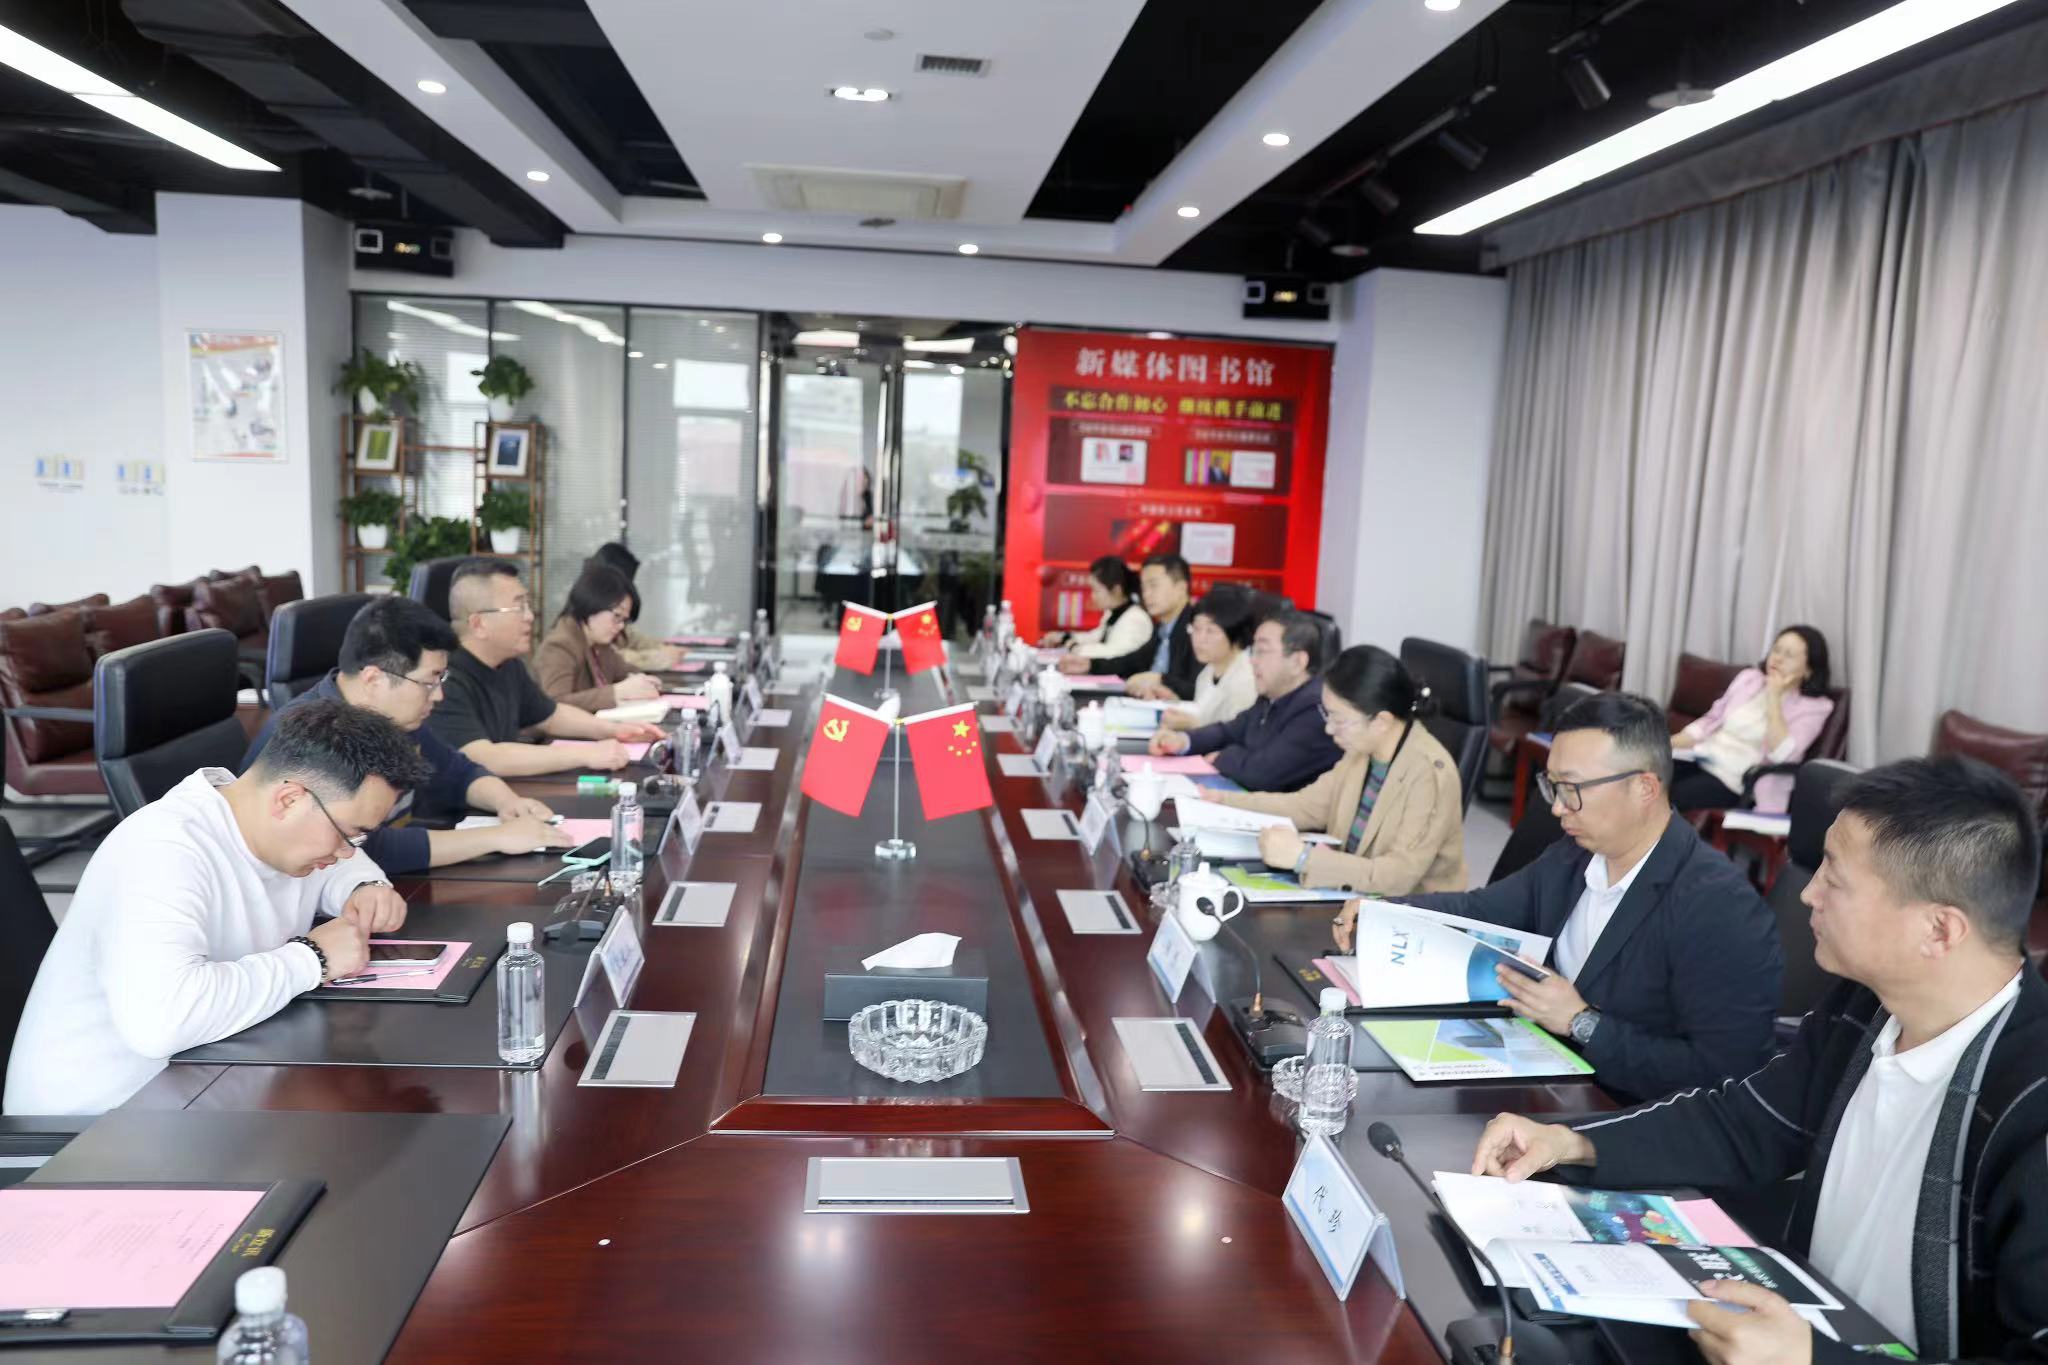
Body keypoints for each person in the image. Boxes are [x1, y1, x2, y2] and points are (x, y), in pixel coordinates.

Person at [1468, 757, 2048, 1364]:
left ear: (1939, 931)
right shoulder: (1869, 1007)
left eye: (1835, 878)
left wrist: (1812, 1361)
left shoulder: (2030, 1107)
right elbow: (1746, 1123)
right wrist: (1571, 1142)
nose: (1808, 893)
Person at [4, 701, 432, 1116]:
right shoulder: (163, 850)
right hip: (95, 1124)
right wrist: (313, 958)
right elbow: (162, 1023)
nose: (347, 850)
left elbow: (346, 861)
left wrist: (364, 885)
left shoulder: (268, 821)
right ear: (289, 800)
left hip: (204, 1081)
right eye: (349, 834)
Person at [1386, 692, 1780, 1101]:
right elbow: (1478, 910)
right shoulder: (1575, 856)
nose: (1558, 808)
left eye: (1572, 788)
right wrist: (1379, 911)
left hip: (1627, 1111)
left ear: (1644, 788)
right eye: (1553, 786)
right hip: (1547, 1077)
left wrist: (1581, 1022)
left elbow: (1726, 1077)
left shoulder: (1719, 905)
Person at [241, 596, 573, 871]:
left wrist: (509, 803)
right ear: (374, 679)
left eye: (441, 680)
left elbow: (456, 771)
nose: (438, 695)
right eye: (429, 681)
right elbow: (365, 849)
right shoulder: (312, 739)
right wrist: (497, 837)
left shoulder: (393, 719)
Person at [1206, 645, 1465, 896]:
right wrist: (1224, 801)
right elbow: (1306, 806)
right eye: (1327, 714)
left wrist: (1304, 859)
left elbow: (1398, 877)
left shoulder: (1429, 772)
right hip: (1352, 894)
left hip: (1408, 910)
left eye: (1339, 719)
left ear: (1381, 721)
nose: (1329, 729)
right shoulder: (1363, 750)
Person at [427, 559, 665, 778]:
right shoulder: (443, 678)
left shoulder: (508, 664)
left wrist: (614, 731)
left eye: (528, 605)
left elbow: (551, 716)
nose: (530, 616)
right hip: (457, 809)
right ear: (479, 624)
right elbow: (484, 757)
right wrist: (585, 754)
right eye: (518, 608)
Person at [1149, 612, 1342, 793]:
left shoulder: (1316, 709)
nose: (1253, 661)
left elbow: (1263, 773)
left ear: (1298, 662)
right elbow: (1229, 731)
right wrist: (1183, 741)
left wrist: (1223, 757)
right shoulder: (1272, 696)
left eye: (1262, 651)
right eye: (1253, 651)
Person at [1670, 625, 1835, 813]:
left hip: (1736, 781)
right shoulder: (1750, 678)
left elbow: (1782, 755)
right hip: (1703, 757)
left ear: (1808, 670)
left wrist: (1774, 696)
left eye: (1789, 655)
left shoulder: (1815, 707)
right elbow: (1711, 720)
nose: (1778, 658)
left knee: (1671, 797)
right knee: (1650, 778)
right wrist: (1668, 744)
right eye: (1776, 649)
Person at [534, 563, 664, 711]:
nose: (621, 626)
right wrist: (615, 693)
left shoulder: (600, 644)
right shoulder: (560, 645)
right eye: (617, 616)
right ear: (592, 604)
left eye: (624, 620)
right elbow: (555, 704)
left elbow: (625, 672)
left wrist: (645, 680)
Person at [1156, 585, 1258, 732]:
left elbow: (1237, 736)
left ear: (1235, 634)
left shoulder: (1247, 680)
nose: (1200, 639)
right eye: (1196, 629)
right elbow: (1205, 715)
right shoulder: (1207, 673)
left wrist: (1193, 725)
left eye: (1211, 631)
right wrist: (1174, 701)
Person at [1108, 553, 1200, 697]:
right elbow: (1130, 662)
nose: (1146, 594)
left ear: (1181, 588)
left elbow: (1200, 689)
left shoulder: (1198, 630)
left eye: (1153, 586)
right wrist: (1089, 664)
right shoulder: (1162, 628)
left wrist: (1160, 679)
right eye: (1143, 588)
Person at [587, 541, 683, 672]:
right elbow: (608, 657)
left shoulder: (608, 608)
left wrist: (663, 647)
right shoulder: (592, 611)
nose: (629, 588)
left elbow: (630, 637)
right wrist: (658, 657)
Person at [1044, 556, 1151, 667]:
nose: (1092, 596)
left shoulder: (1135, 619)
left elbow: (1112, 653)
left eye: (1096, 590)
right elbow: (1096, 636)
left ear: (1116, 590)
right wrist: (1065, 637)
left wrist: (1072, 645)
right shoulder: (1113, 613)